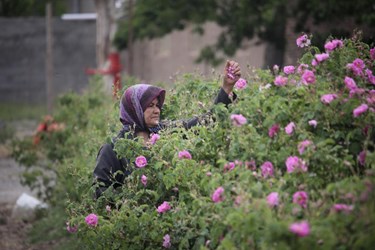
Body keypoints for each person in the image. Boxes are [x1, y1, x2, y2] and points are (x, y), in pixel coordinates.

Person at [93, 60, 241, 198]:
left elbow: (206, 122)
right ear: (134, 109)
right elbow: (101, 192)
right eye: (149, 106)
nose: (157, 110)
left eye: (157, 105)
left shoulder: (165, 131)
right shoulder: (113, 148)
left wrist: (227, 87)